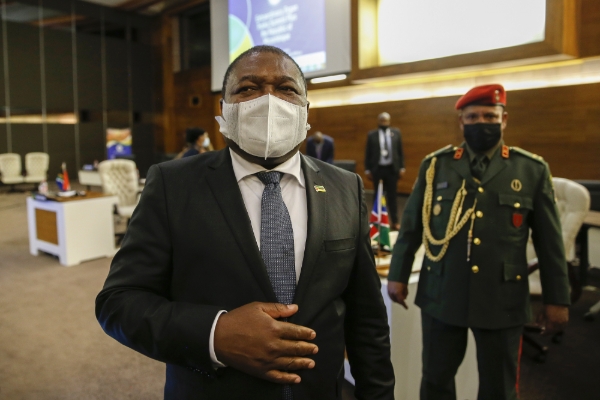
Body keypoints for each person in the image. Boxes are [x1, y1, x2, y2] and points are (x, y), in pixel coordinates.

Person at [96, 45, 394, 400]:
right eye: (248, 88)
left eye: (286, 88)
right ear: (224, 109)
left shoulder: (345, 186)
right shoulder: (171, 184)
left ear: (305, 109)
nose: (269, 100)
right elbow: (119, 302)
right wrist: (215, 334)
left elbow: (367, 319)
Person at [387, 84, 570, 400]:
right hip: (442, 293)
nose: (481, 122)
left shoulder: (531, 170)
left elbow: (549, 241)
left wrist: (558, 298)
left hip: (503, 297)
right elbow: (412, 228)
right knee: (435, 381)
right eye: (472, 116)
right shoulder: (435, 166)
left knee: (498, 388)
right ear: (461, 121)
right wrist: (397, 274)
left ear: (504, 119)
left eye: (489, 115)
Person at [364, 112, 405, 230]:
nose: (384, 123)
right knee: (377, 195)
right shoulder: (372, 135)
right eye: (382, 121)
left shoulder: (396, 133)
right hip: (378, 169)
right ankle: (376, 222)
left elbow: (400, 151)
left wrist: (402, 167)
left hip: (392, 169)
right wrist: (367, 169)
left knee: (392, 196)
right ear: (378, 121)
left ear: (389, 121)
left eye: (386, 121)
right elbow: (368, 152)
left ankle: (395, 221)